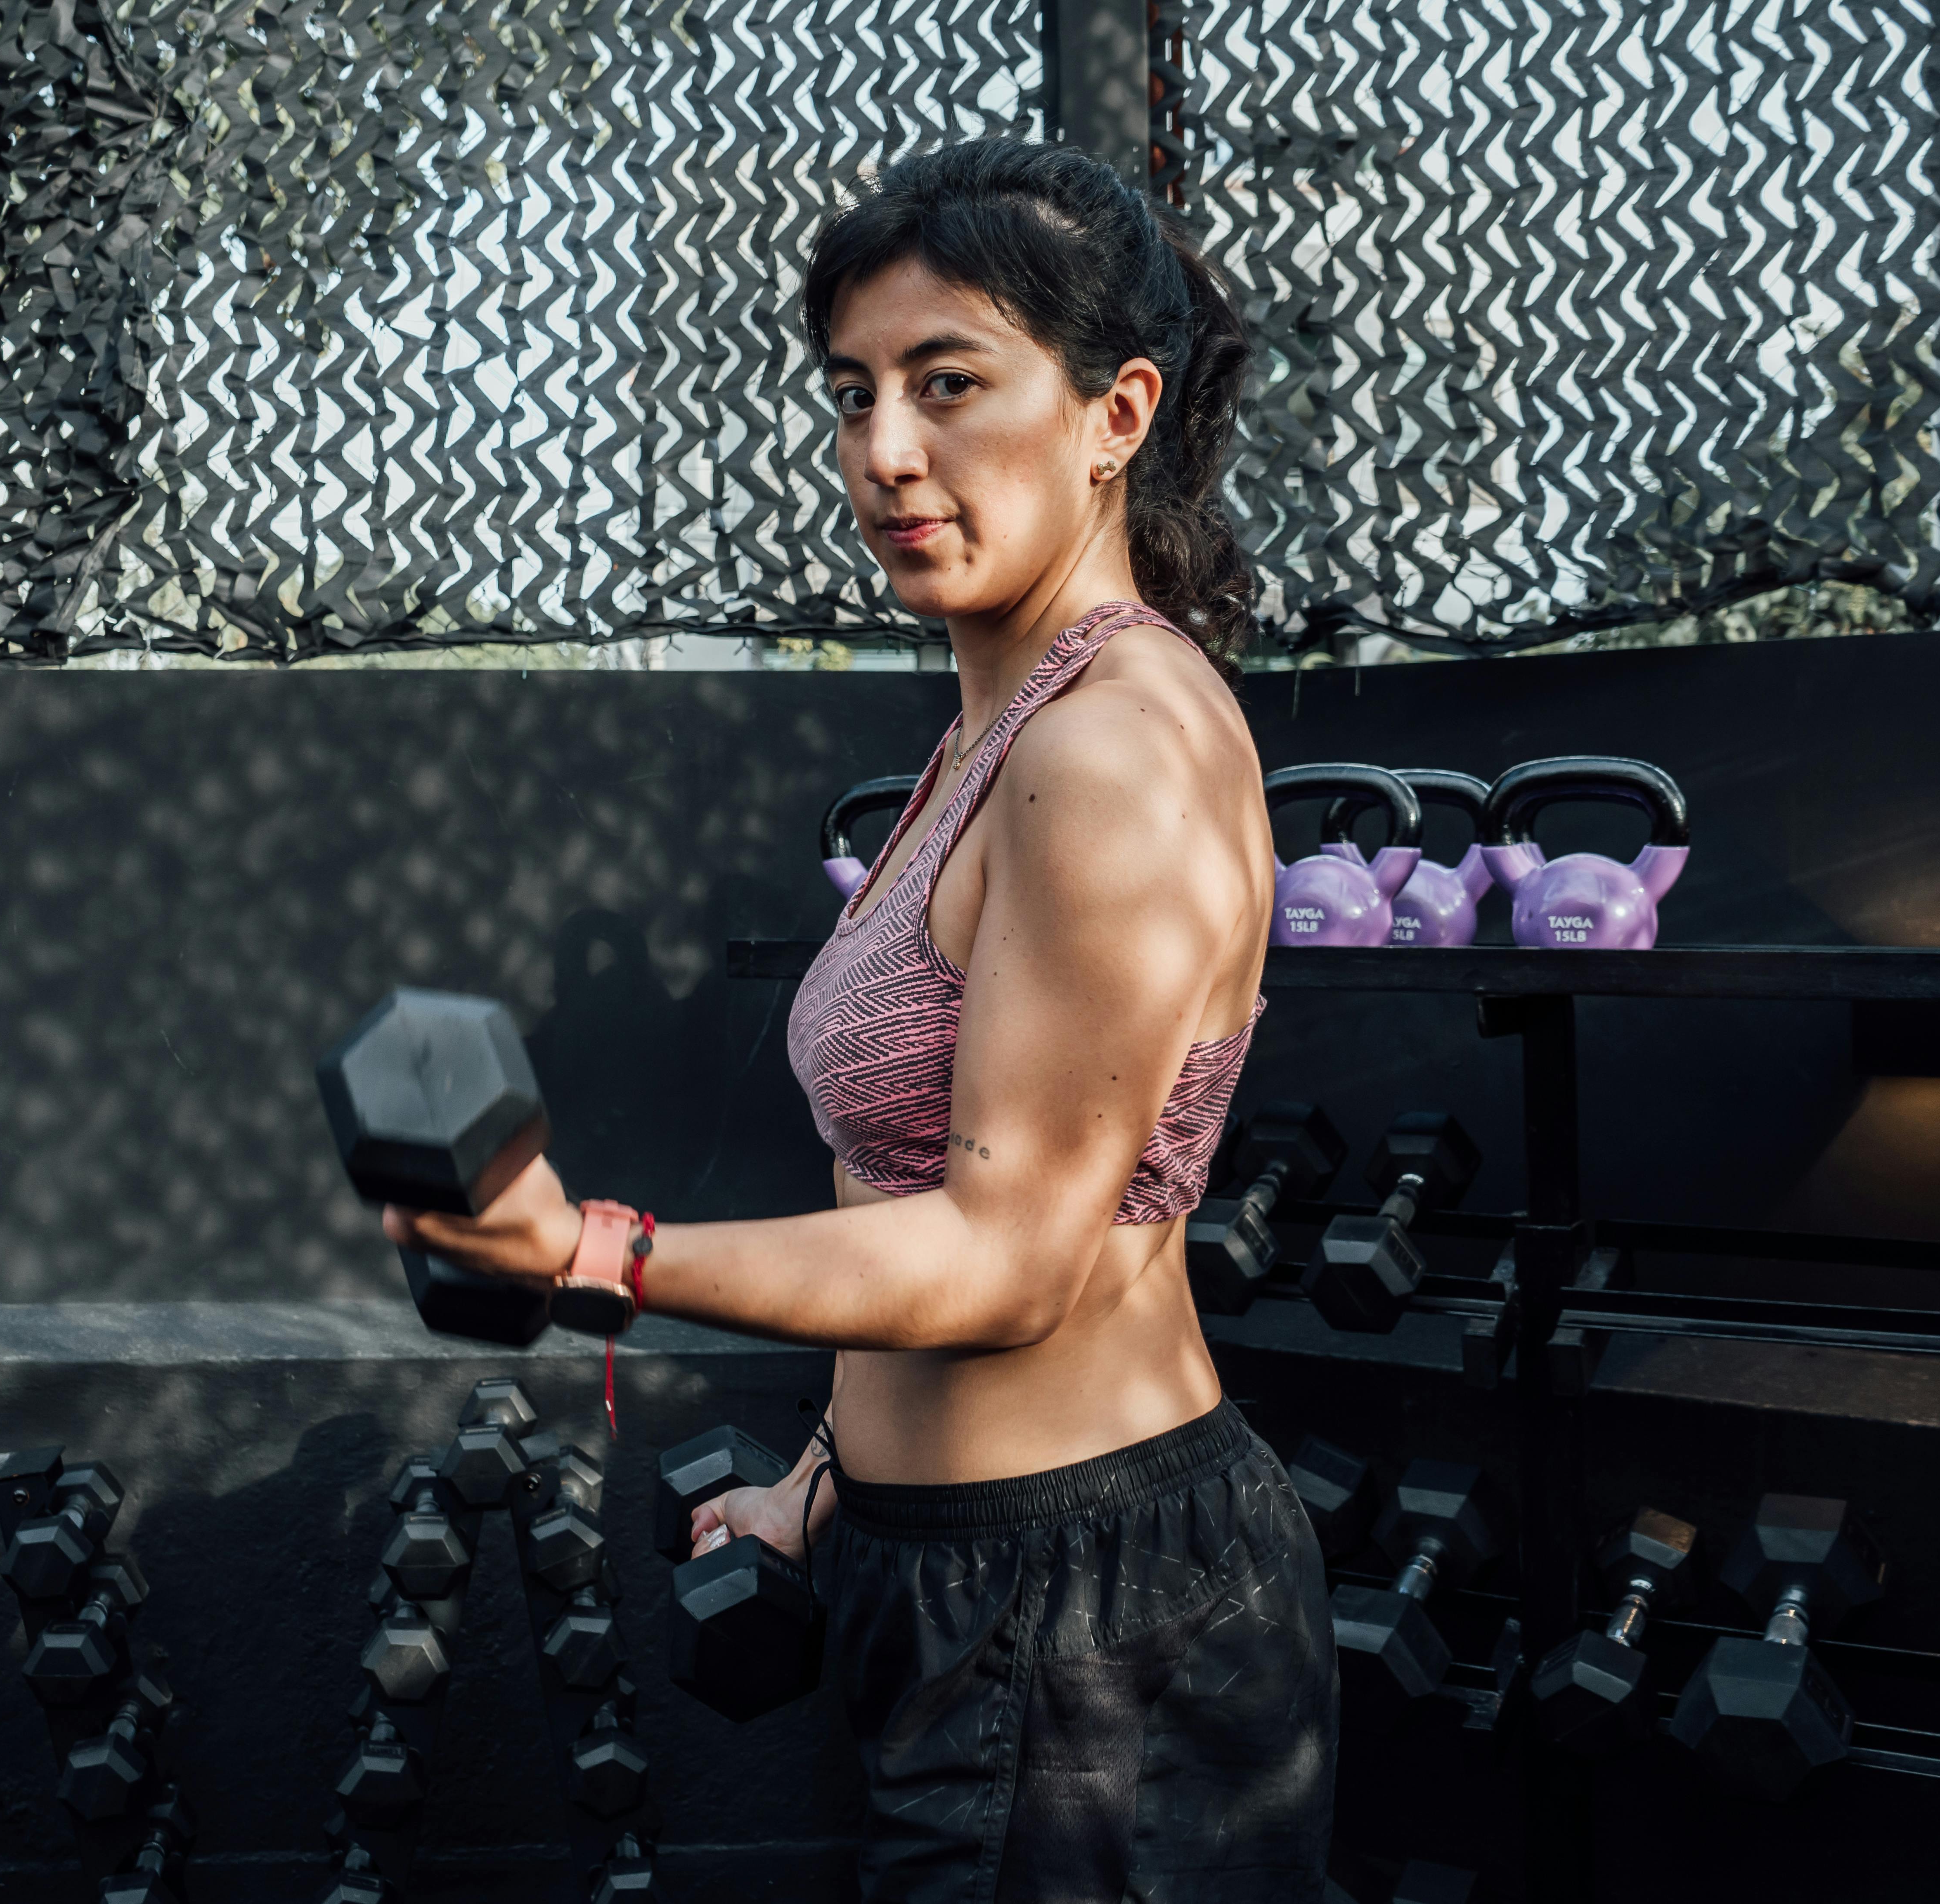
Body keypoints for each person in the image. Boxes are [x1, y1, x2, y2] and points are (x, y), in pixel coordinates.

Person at [383, 138, 1335, 1900]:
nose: (883, 452)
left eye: (950, 384)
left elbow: (1008, 1260)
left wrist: (588, 1248)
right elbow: (907, 1184)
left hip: (1088, 1627)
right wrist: (824, 1483)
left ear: (1113, 412)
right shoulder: (997, 724)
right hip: (965, 1574)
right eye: (855, 392)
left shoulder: (1102, 752)